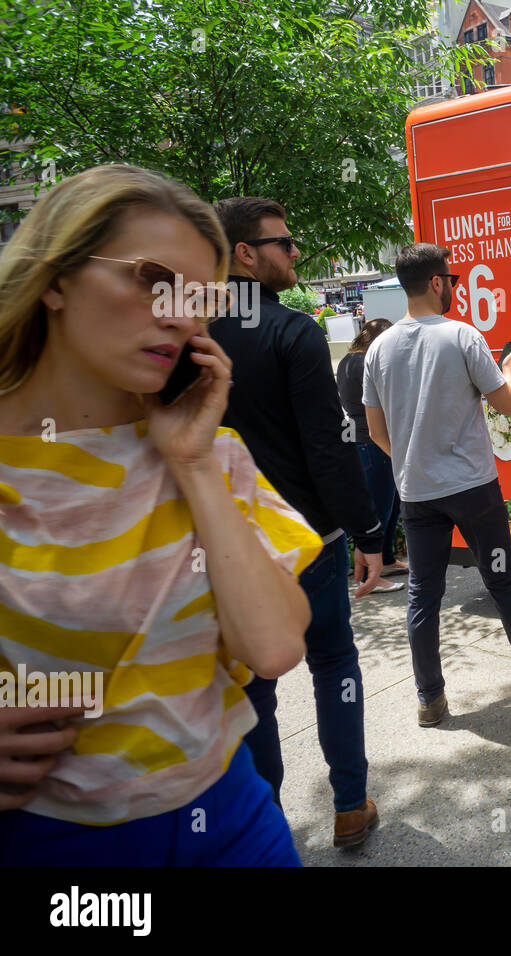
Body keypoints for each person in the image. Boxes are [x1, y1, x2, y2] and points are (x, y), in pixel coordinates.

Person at [0, 165, 320, 865]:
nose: (180, 315)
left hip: (233, 821)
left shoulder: (211, 453)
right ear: (54, 278)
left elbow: (273, 649)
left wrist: (194, 464)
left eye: (199, 299)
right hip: (50, 845)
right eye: (151, 280)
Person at [209, 196, 384, 848]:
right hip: (308, 538)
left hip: (225, 548)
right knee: (334, 663)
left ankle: (267, 828)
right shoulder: (294, 332)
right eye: (284, 243)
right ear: (245, 254)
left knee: (254, 692)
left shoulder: (188, 334)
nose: (296, 252)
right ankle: (348, 805)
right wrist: (369, 534)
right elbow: (330, 449)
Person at [363, 244, 511, 728]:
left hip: (417, 494)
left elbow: (375, 432)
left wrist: (409, 463)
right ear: (435, 282)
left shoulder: (379, 348)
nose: (455, 286)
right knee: (503, 580)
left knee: (422, 594)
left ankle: (430, 699)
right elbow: (508, 405)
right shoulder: (464, 337)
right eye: (451, 278)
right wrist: (510, 373)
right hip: (473, 490)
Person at [337, 317, 407, 590]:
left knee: (391, 506)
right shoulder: (364, 362)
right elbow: (386, 398)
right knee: (380, 507)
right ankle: (370, 576)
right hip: (372, 441)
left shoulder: (347, 361)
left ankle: (387, 559)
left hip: (363, 440)